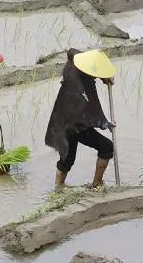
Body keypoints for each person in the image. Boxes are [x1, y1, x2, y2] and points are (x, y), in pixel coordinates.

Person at [45, 49, 116, 189]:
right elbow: (89, 110)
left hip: (62, 120)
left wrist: (103, 77)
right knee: (106, 146)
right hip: (74, 124)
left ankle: (58, 188)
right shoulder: (78, 84)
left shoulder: (73, 64)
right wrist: (104, 123)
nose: (95, 75)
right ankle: (96, 184)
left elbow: (72, 51)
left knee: (67, 159)